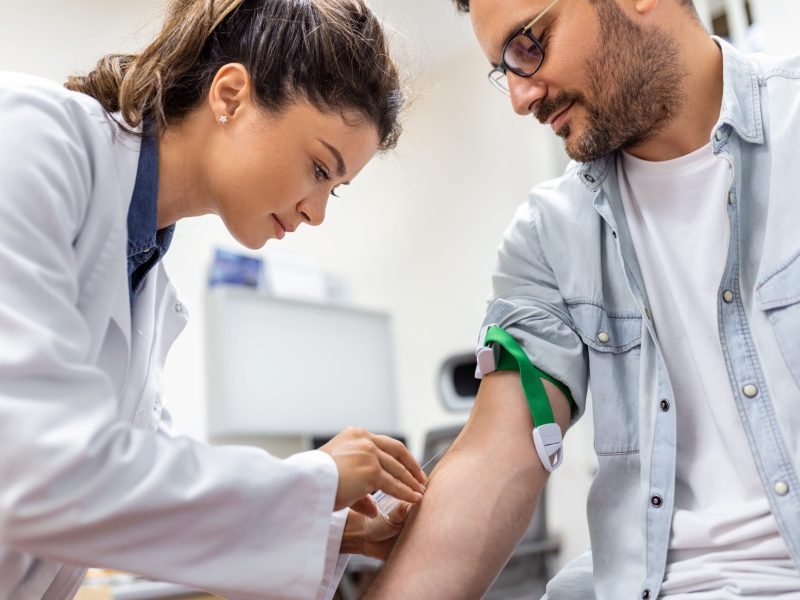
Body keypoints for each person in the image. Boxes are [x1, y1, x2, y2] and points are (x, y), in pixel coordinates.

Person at [365, 0, 800, 598]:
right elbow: (495, 455)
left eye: (528, 45)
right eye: (505, 69)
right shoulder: (547, 237)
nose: (520, 98)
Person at [0, 0, 428, 598]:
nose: (317, 211)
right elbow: (39, 474)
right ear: (230, 95)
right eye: (316, 167)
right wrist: (314, 480)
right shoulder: (30, 139)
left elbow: (132, 496)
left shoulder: (144, 276)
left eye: (336, 188)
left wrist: (332, 529)